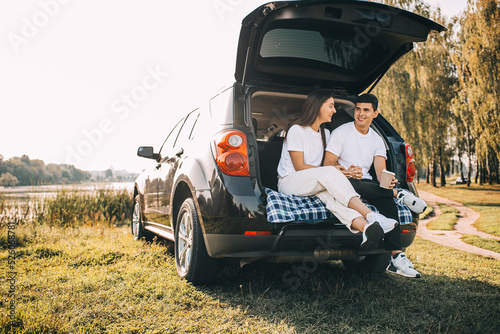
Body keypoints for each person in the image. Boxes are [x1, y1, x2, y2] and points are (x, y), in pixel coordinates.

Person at [277, 89, 398, 251]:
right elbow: (300, 167)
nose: (334, 110)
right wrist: (337, 172)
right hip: (290, 181)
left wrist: (347, 172)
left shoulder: (325, 133)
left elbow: (328, 168)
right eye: (331, 106)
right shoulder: (297, 130)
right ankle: (371, 215)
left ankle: (367, 229)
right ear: (318, 107)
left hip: (314, 182)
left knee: (333, 200)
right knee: (329, 173)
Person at [324, 93, 426, 278]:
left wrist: (387, 181)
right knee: (358, 183)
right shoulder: (342, 132)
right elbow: (328, 164)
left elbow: (380, 172)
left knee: (388, 204)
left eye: (365, 110)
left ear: (375, 113)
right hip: (343, 180)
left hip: (366, 183)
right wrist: (346, 171)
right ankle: (398, 194)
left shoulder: (377, 139)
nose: (360, 114)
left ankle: (397, 257)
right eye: (357, 109)